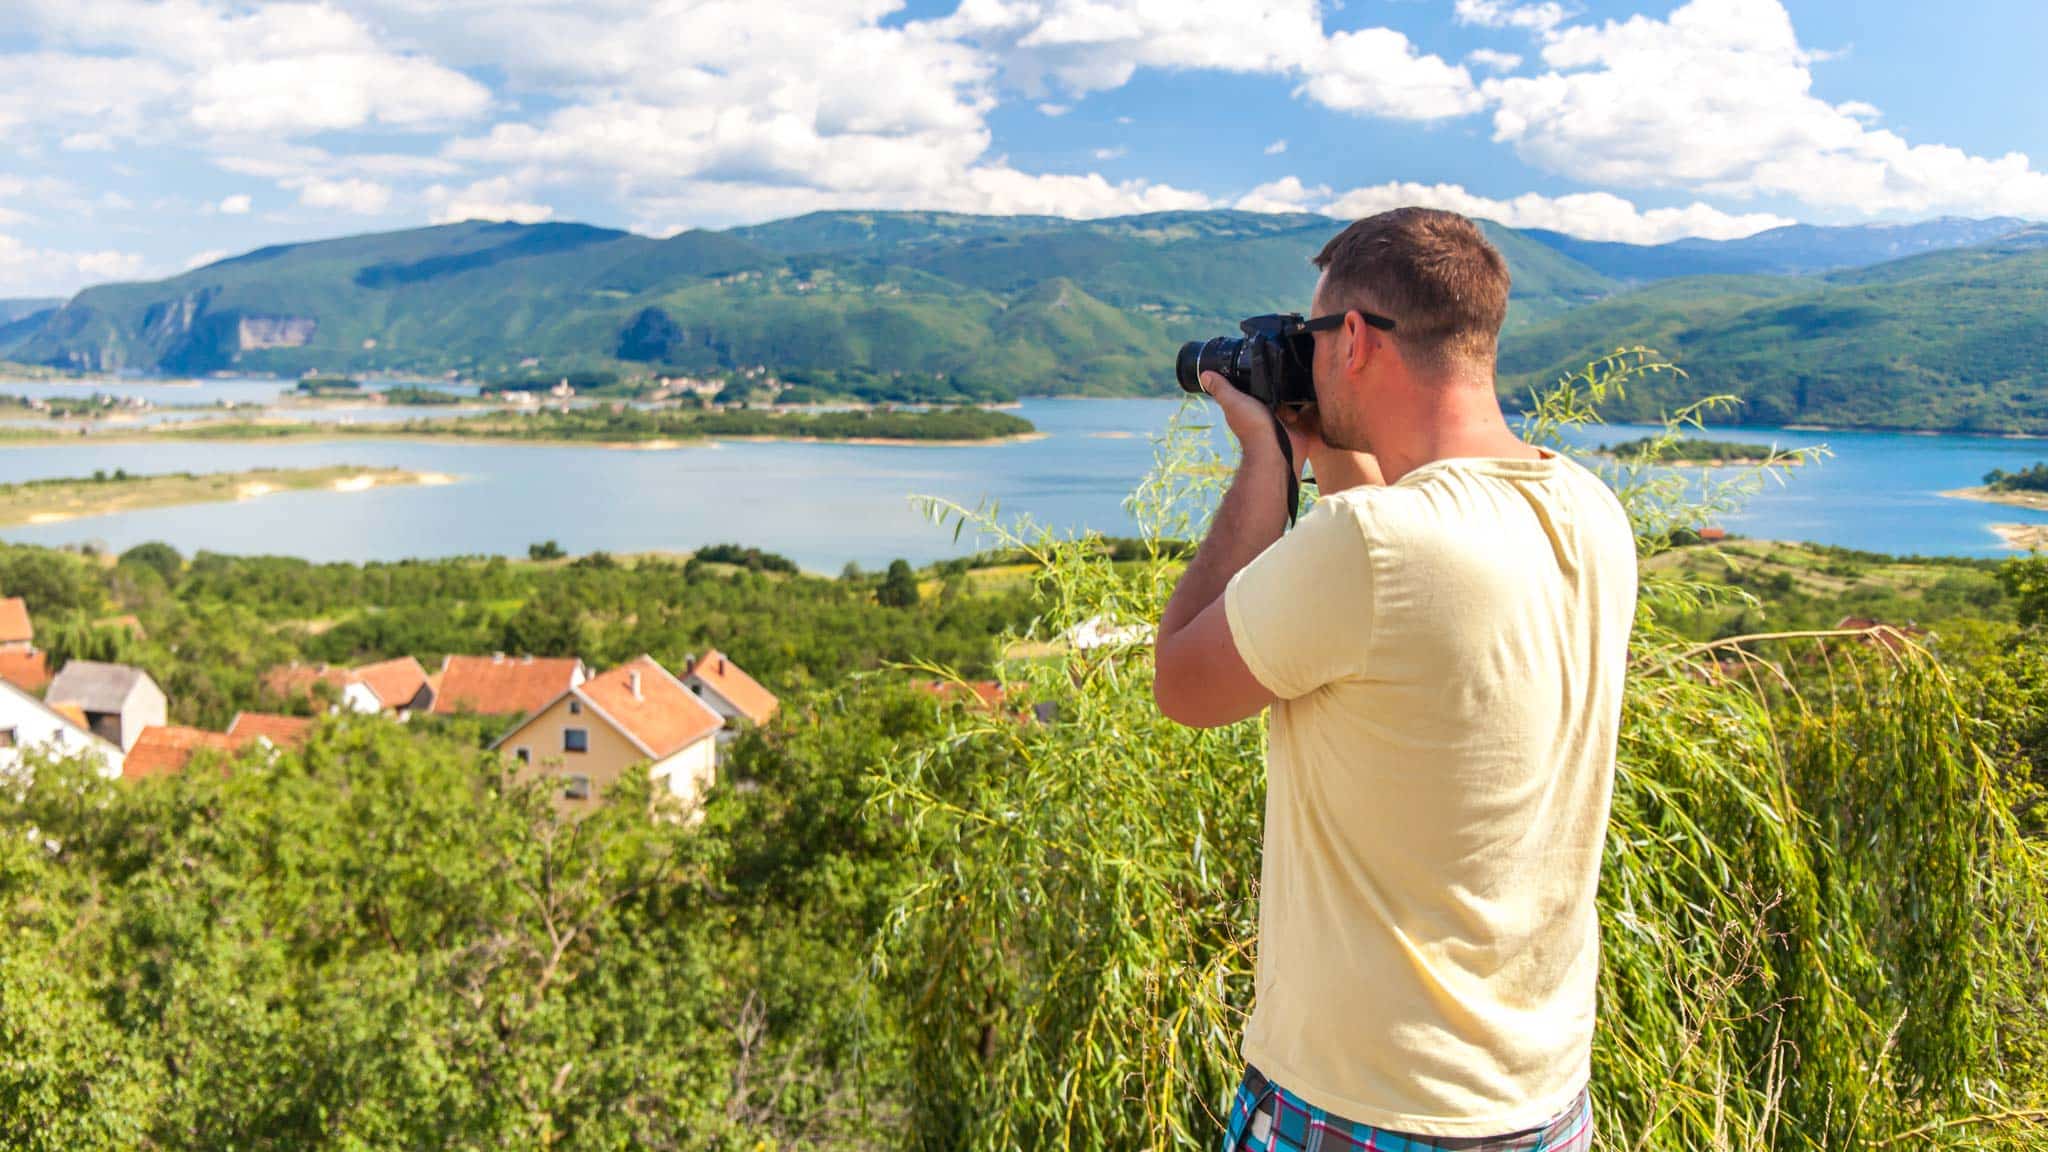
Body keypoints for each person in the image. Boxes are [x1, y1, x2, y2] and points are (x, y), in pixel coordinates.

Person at [1152, 207, 1637, 1151]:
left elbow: (1183, 683)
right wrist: (1333, 447)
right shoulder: (1588, 510)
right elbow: (1391, 613)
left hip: (1365, 1106)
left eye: (1314, 337)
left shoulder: (1374, 548)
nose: (1308, 354)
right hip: (1538, 1104)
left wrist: (1267, 463)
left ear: (1359, 340)